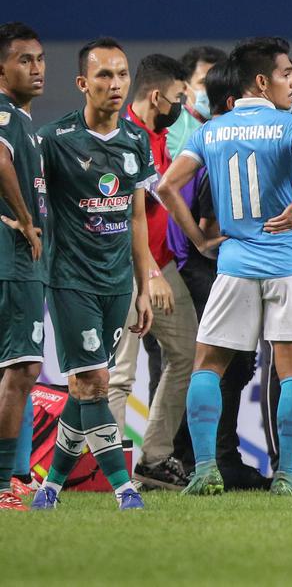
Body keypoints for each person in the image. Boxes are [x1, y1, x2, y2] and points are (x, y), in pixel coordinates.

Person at [162, 37, 292, 496]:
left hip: (235, 260)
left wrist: (198, 240)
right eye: (286, 72)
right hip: (288, 260)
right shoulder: (291, 124)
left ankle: (204, 469)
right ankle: (288, 477)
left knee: (206, 367)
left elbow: (167, 187)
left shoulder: (211, 130)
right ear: (262, 80)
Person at [31, 38, 156, 511]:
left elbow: (137, 217)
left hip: (117, 281)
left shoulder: (136, 140)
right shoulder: (54, 141)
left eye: (122, 74)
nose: (116, 84)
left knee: (84, 390)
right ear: (83, 83)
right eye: (104, 75)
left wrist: (145, 288)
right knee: (97, 383)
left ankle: (50, 487)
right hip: (70, 280)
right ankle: (125, 490)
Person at [108, 54, 200, 490]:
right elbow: (127, 217)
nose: (182, 105)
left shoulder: (158, 137)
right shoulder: (123, 138)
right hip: (128, 268)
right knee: (120, 373)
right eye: (179, 97)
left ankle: (155, 457)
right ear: (158, 95)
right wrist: (150, 274)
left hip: (161, 264)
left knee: (187, 352)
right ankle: (108, 471)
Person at [0, 22, 47, 511]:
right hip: (14, 260)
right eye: (23, 60)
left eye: (39, 60)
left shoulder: (21, 118)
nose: (36, 69)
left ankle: (15, 474)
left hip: (18, 261)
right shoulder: (5, 116)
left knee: (16, 369)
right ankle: (4, 485)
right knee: (23, 366)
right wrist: (27, 220)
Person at [166, 45, 226, 157]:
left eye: (217, 81)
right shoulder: (170, 127)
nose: (212, 88)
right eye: (203, 82)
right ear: (185, 87)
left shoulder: (233, 124)